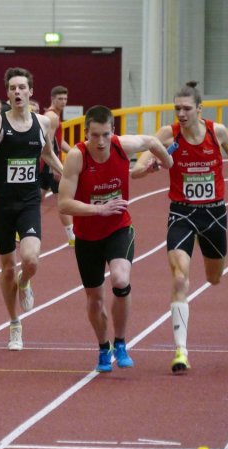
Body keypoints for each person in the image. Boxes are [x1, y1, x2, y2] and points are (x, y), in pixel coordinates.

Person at [58, 105, 172, 372]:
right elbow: (63, 203)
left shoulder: (123, 147)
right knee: (94, 298)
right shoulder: (77, 157)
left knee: (121, 280)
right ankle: (103, 347)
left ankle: (120, 342)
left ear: (113, 131)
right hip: (87, 236)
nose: (100, 142)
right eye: (95, 135)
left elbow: (152, 141)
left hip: (118, 228)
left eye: (106, 135)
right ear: (86, 133)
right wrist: (99, 209)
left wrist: (167, 162)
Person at [132, 81, 228, 374]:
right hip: (182, 214)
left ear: (200, 109)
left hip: (214, 215)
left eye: (187, 108)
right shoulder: (167, 134)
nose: (181, 114)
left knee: (214, 278)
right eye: (177, 109)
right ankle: (181, 351)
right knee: (179, 277)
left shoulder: (217, 132)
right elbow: (136, 171)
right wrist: (150, 166)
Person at [0, 67, 64, 351]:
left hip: (28, 202)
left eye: (22, 87)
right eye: (12, 88)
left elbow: (47, 153)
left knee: (31, 259)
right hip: (1, 204)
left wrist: (68, 175)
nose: (17, 92)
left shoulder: (43, 123)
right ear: (7, 94)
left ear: (30, 91)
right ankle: (14, 324)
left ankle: (25, 283)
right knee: (8, 268)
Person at [43, 85, 75, 246]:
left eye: (65, 99)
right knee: (63, 200)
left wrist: (73, 152)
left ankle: (20, 231)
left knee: (36, 198)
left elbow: (59, 141)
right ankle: (72, 237)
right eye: (60, 99)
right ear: (52, 99)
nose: (63, 102)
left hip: (47, 164)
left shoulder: (53, 116)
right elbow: (47, 144)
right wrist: (55, 167)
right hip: (48, 165)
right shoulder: (52, 117)